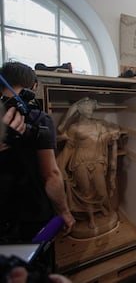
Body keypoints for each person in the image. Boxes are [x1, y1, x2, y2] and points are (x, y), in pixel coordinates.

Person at [0, 61, 75, 243]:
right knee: (34, 268)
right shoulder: (40, 119)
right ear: (34, 87)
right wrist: (64, 212)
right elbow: (51, 174)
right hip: (33, 216)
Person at [56, 97, 120, 237]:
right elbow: (68, 147)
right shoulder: (74, 128)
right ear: (79, 110)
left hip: (97, 161)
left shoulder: (99, 125)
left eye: (92, 107)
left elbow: (108, 136)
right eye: (87, 107)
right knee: (86, 192)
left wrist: (111, 135)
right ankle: (91, 218)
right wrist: (61, 165)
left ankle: (101, 208)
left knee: (101, 191)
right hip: (80, 162)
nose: (90, 110)